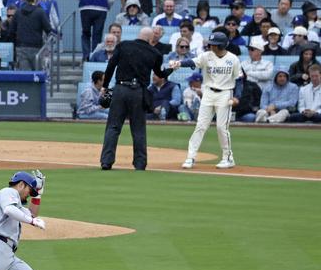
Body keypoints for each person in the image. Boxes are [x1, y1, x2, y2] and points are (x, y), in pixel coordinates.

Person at [99, 27, 173, 170]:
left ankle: (106, 161)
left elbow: (111, 66)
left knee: (113, 127)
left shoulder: (123, 45)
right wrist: (171, 69)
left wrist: (106, 86)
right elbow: (161, 74)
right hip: (138, 92)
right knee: (138, 129)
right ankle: (140, 163)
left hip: (120, 89)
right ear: (151, 39)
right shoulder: (155, 53)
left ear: (138, 35)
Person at [172, 31, 242, 169]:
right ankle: (190, 157)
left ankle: (228, 158)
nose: (211, 46)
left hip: (225, 94)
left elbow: (239, 79)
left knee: (222, 127)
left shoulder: (233, 59)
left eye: (214, 45)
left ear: (221, 46)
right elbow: (192, 61)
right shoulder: (207, 56)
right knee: (200, 126)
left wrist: (236, 97)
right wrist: (179, 63)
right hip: (208, 92)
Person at [11, 0, 52, 70]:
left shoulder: (18, 12)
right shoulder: (40, 12)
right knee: (37, 76)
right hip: (36, 47)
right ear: (36, 0)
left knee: (25, 77)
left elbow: (12, 31)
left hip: (21, 47)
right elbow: (48, 29)